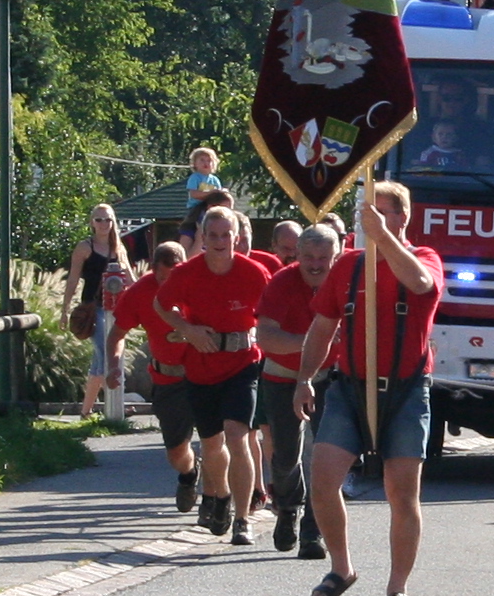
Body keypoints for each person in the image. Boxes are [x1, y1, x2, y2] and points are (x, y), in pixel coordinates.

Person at [295, 181, 444, 596]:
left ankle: (397, 587)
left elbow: (420, 284)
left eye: (381, 213)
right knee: (323, 480)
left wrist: (383, 237)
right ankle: (341, 568)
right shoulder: (349, 266)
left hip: (405, 389)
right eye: (366, 213)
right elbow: (322, 327)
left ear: (403, 216)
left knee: (402, 493)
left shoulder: (424, 258)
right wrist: (304, 378)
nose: (371, 221)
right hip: (351, 387)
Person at [155, 205, 277, 538]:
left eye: (226, 235)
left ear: (236, 238)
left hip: (242, 363)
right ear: (204, 238)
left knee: (237, 436)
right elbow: (161, 305)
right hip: (202, 367)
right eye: (214, 235)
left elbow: (274, 312)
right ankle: (220, 495)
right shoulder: (187, 273)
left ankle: (243, 519)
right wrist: (187, 328)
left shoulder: (254, 273)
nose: (220, 241)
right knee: (211, 444)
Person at [257, 222, 340, 555]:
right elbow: (265, 336)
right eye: (309, 257)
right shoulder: (282, 282)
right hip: (282, 375)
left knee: (325, 455)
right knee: (285, 455)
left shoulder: (345, 283)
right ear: (298, 256)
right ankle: (288, 508)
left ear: (336, 257)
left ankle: (313, 530)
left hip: (329, 378)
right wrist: (313, 342)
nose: (316, 265)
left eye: (324, 258)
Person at [118, 240, 200, 513]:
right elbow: (116, 333)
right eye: (164, 278)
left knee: (217, 440)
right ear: (153, 270)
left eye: (174, 277)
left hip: (206, 374)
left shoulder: (200, 282)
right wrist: (113, 366)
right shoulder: (140, 292)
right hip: (169, 379)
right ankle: (189, 474)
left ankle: (216, 501)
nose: (169, 286)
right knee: (176, 452)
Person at [66, 204, 132, 421]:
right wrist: (65, 309)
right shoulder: (85, 247)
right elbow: (73, 279)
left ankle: (86, 412)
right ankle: (116, 405)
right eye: (99, 219)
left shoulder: (118, 248)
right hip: (94, 310)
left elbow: (130, 279)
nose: (104, 224)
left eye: (108, 219)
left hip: (116, 309)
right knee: (107, 356)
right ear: (92, 222)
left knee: (99, 362)